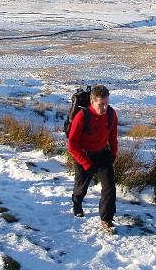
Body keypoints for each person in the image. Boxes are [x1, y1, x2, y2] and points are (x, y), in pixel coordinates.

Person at [68, 84, 118, 231]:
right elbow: (72, 144)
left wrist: (113, 153)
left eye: (106, 103)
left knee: (109, 188)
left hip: (102, 154)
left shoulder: (111, 114)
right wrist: (85, 162)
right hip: (84, 155)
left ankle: (106, 219)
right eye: (101, 104)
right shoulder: (82, 116)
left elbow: (113, 136)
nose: (104, 108)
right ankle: (77, 203)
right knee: (81, 187)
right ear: (92, 102)